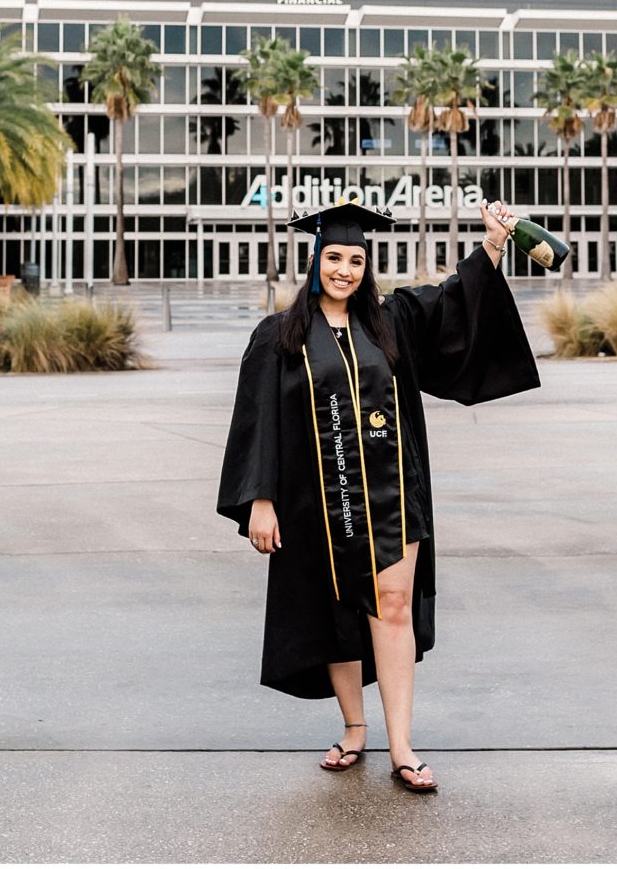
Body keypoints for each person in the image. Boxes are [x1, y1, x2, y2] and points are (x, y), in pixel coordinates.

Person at [216, 197, 539, 794]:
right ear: (314, 261)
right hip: (319, 500)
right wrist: (259, 498)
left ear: (367, 265)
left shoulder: (392, 321)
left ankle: (402, 746)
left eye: (356, 259)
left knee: (392, 610)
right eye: (333, 257)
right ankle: (354, 726)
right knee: (335, 611)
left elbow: (454, 303)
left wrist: (493, 244)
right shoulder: (279, 337)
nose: (344, 269)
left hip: (395, 499)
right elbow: (255, 419)